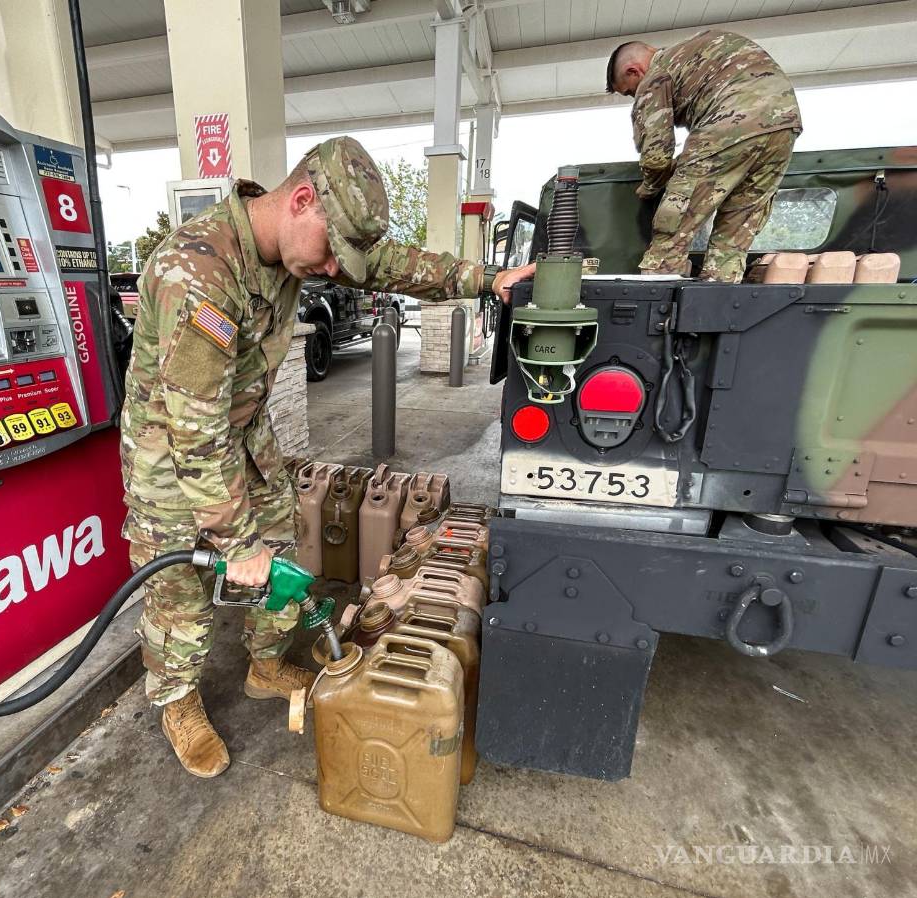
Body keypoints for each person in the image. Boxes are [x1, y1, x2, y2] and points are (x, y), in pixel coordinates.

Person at [120, 136, 534, 777]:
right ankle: (177, 701)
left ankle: (263, 664)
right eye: (330, 253)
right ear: (302, 200)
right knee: (181, 591)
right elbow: (193, 428)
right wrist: (235, 541)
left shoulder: (302, 246)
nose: (336, 271)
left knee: (281, 551)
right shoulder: (196, 272)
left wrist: (485, 279)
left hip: (246, 445)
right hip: (174, 460)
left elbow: (392, 263)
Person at [606, 30, 802, 282]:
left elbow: (656, 155)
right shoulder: (704, 44)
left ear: (634, 71)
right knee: (732, 239)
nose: (634, 96)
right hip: (784, 128)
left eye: (629, 92)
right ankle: (714, 308)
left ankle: (654, 310)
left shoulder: (655, 75)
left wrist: (652, 186)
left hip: (729, 124)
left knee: (669, 239)